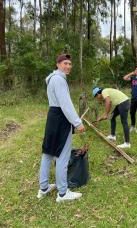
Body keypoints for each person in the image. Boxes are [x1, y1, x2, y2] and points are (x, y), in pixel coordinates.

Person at [37, 54, 86, 202]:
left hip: (53, 117)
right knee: (62, 156)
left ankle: (44, 188)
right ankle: (63, 193)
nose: (68, 66)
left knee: (48, 152)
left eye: (70, 64)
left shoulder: (53, 78)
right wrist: (78, 123)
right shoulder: (59, 80)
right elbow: (66, 105)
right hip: (60, 119)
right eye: (65, 63)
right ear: (58, 64)